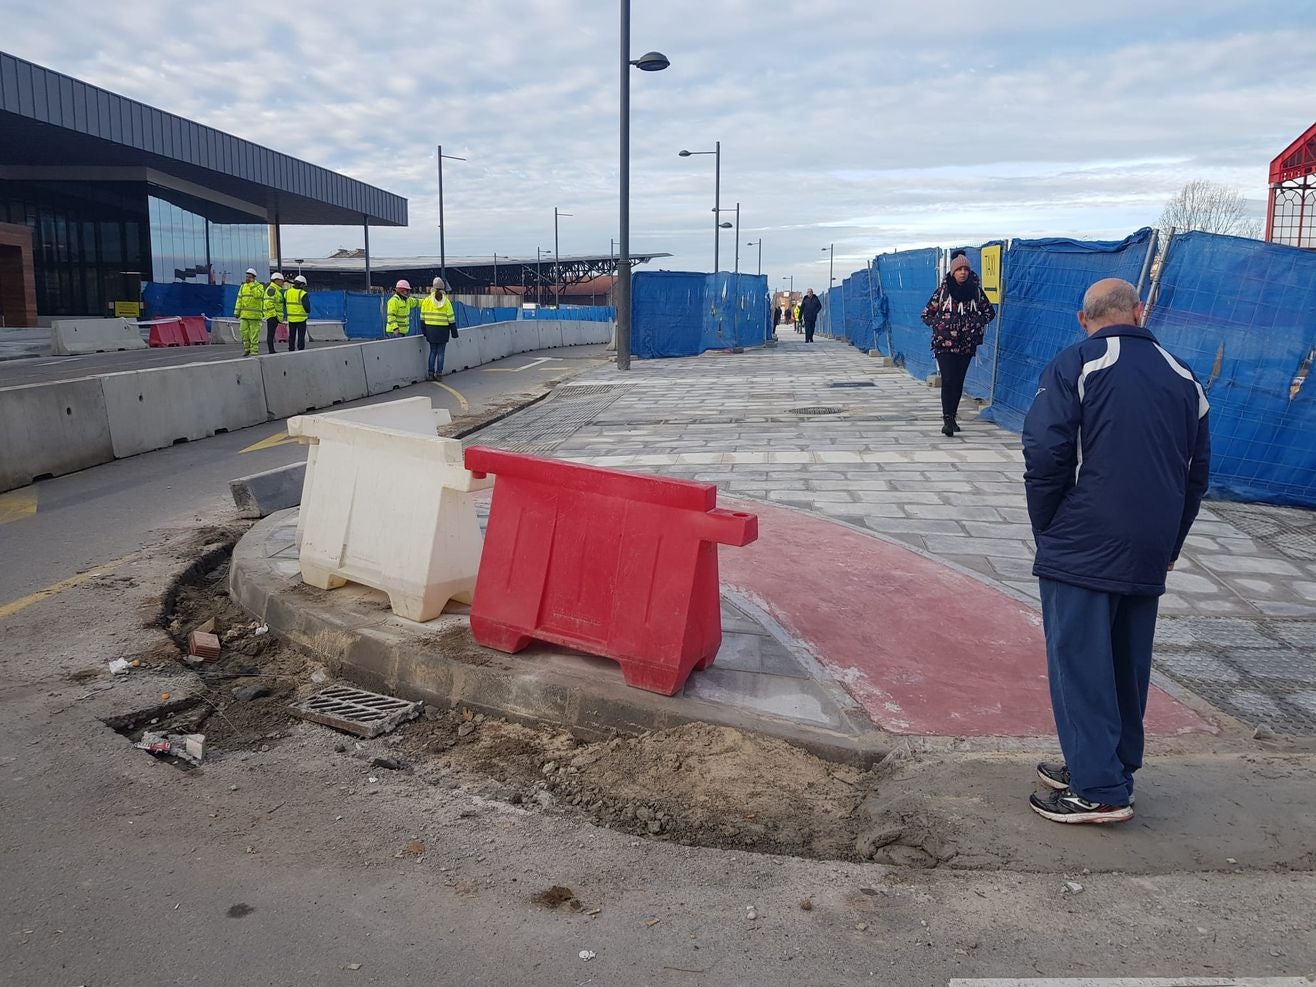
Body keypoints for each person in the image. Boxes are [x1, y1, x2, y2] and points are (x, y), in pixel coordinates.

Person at [1022, 278, 1210, 825]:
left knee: (1080, 662)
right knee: (1127, 662)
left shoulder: (1077, 364)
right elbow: (1197, 473)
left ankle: (1100, 790)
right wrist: (1171, 541)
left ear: (1084, 319)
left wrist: (1049, 526)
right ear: (1138, 311)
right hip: (1150, 541)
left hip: (1084, 538)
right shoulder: (1183, 376)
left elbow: (1045, 450)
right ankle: (1108, 764)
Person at [920, 253, 995, 436]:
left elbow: (989, 313)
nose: (963, 273)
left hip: (966, 344)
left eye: (966, 269)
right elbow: (926, 314)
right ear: (953, 272)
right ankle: (947, 419)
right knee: (948, 379)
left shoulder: (976, 292)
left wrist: (977, 322)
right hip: (944, 344)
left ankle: (952, 416)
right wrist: (938, 324)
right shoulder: (943, 292)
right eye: (959, 269)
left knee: (958, 381)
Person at [419, 277, 457, 380]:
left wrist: (424, 331)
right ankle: (439, 374)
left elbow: (422, 317)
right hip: (443, 331)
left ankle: (430, 374)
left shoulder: (426, 301)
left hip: (431, 330)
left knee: (432, 352)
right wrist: (454, 333)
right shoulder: (447, 302)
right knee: (441, 353)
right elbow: (451, 318)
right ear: (442, 288)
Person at [233, 268, 264, 357]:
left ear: (254, 278)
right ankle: (247, 349)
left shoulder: (259, 286)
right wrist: (237, 312)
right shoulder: (243, 287)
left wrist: (252, 285)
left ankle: (254, 352)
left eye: (249, 277)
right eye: (246, 277)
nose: (247, 279)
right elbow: (239, 300)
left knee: (254, 335)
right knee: (244, 333)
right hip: (244, 315)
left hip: (255, 316)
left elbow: (258, 295)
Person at [263, 272, 287, 355]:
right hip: (272, 315)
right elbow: (268, 302)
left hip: (274, 315)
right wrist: (274, 315)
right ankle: (271, 350)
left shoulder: (276, 290)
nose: (282, 283)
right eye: (281, 281)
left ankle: (272, 349)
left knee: (272, 333)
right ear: (276, 280)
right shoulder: (272, 289)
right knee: (271, 333)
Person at [285, 275, 310, 352]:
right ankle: (300, 349)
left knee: (291, 335)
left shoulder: (287, 292)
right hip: (301, 318)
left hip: (291, 318)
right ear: (302, 284)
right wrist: (308, 311)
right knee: (301, 336)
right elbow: (307, 307)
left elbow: (284, 304)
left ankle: (291, 348)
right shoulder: (303, 293)